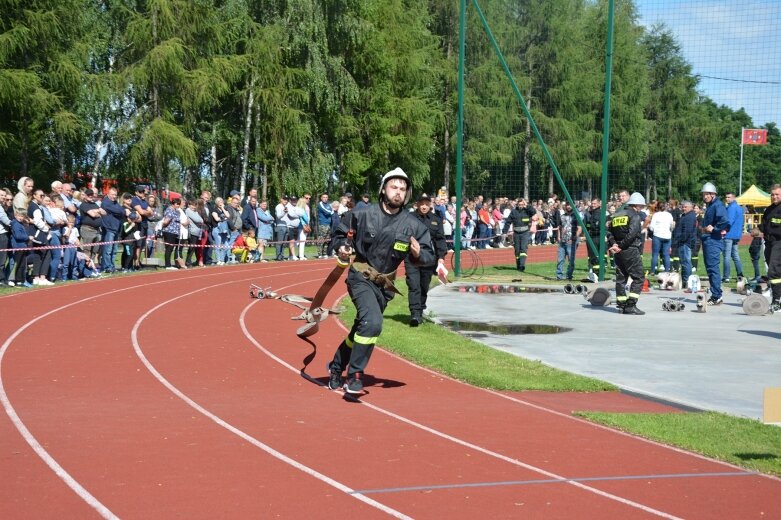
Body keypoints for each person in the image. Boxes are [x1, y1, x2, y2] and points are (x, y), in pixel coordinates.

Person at [327, 168, 435, 394]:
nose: (398, 192)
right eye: (394, 187)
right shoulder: (362, 214)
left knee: (362, 326)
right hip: (361, 276)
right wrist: (342, 247)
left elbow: (428, 257)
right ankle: (355, 376)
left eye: (403, 189)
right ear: (383, 189)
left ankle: (336, 366)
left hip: (384, 286)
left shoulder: (413, 225)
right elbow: (338, 236)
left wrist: (417, 254)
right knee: (373, 323)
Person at [405, 193, 447, 327]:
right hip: (412, 257)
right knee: (413, 285)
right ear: (417, 204)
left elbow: (440, 240)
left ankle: (421, 308)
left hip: (429, 258)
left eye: (426, 204)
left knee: (424, 285)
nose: (424, 206)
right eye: (421, 204)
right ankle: (415, 314)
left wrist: (441, 258)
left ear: (430, 205)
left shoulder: (436, 220)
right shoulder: (409, 218)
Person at [607, 192, 647, 315]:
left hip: (618, 251)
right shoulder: (634, 216)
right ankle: (631, 305)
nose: (641, 209)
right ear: (637, 205)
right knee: (639, 277)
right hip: (629, 249)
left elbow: (609, 232)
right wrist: (621, 246)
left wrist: (614, 244)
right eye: (641, 206)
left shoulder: (616, 215)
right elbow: (633, 234)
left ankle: (621, 305)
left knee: (621, 278)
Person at [700, 182, 729, 305]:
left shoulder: (717, 205)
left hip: (713, 240)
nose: (704, 196)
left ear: (713, 194)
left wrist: (715, 229)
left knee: (713, 268)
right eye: (703, 194)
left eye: (707, 194)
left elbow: (725, 221)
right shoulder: (711, 205)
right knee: (710, 268)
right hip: (709, 239)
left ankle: (717, 296)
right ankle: (715, 294)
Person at [759, 184, 781, 311]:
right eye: (772, 194)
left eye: (777, 194)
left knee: (774, 270)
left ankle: (776, 300)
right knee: (775, 271)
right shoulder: (768, 209)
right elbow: (763, 226)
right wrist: (757, 230)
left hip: (779, 242)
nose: (774, 197)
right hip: (769, 243)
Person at [503, 198, 537, 272]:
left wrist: (527, 205)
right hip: (516, 233)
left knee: (523, 249)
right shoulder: (513, 212)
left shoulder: (527, 211)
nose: (521, 206)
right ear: (517, 205)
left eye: (522, 204)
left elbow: (534, 212)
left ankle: (522, 265)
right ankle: (518, 265)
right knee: (517, 250)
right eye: (519, 205)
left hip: (525, 233)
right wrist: (504, 232)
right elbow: (508, 222)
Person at [551, 201, 580, 280]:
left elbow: (579, 228)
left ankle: (569, 275)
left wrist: (575, 237)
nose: (569, 207)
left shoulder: (576, 216)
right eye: (567, 205)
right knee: (560, 259)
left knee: (571, 260)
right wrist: (559, 237)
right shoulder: (562, 216)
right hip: (562, 241)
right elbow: (560, 227)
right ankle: (559, 275)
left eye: (570, 205)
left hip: (572, 241)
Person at [672, 200, 697, 288]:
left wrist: (680, 240)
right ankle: (684, 281)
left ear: (690, 207)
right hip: (684, 242)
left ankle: (687, 281)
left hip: (685, 243)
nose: (683, 208)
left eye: (685, 207)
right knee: (684, 262)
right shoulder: (685, 216)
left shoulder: (689, 217)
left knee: (686, 262)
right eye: (683, 207)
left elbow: (687, 232)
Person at [722, 191, 745, 282]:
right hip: (736, 235)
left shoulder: (731, 208)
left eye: (729, 197)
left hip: (729, 234)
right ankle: (740, 274)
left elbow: (729, 221)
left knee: (726, 256)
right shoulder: (739, 208)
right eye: (726, 197)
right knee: (735, 255)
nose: (727, 199)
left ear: (734, 198)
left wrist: (724, 230)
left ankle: (726, 276)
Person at [648, 201, 674, 274]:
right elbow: (672, 226)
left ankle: (652, 271)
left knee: (655, 254)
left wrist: (650, 227)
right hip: (667, 236)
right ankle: (667, 270)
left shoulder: (656, 215)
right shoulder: (669, 215)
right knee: (666, 254)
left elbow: (652, 227)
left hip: (657, 235)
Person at [316, 193, 333, 258]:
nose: (325, 198)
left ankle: (324, 253)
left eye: (326, 197)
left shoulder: (329, 204)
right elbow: (327, 212)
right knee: (321, 239)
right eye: (324, 197)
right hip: (323, 224)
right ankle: (319, 254)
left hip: (329, 224)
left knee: (327, 239)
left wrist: (331, 212)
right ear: (321, 198)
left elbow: (331, 211)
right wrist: (331, 212)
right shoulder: (320, 204)